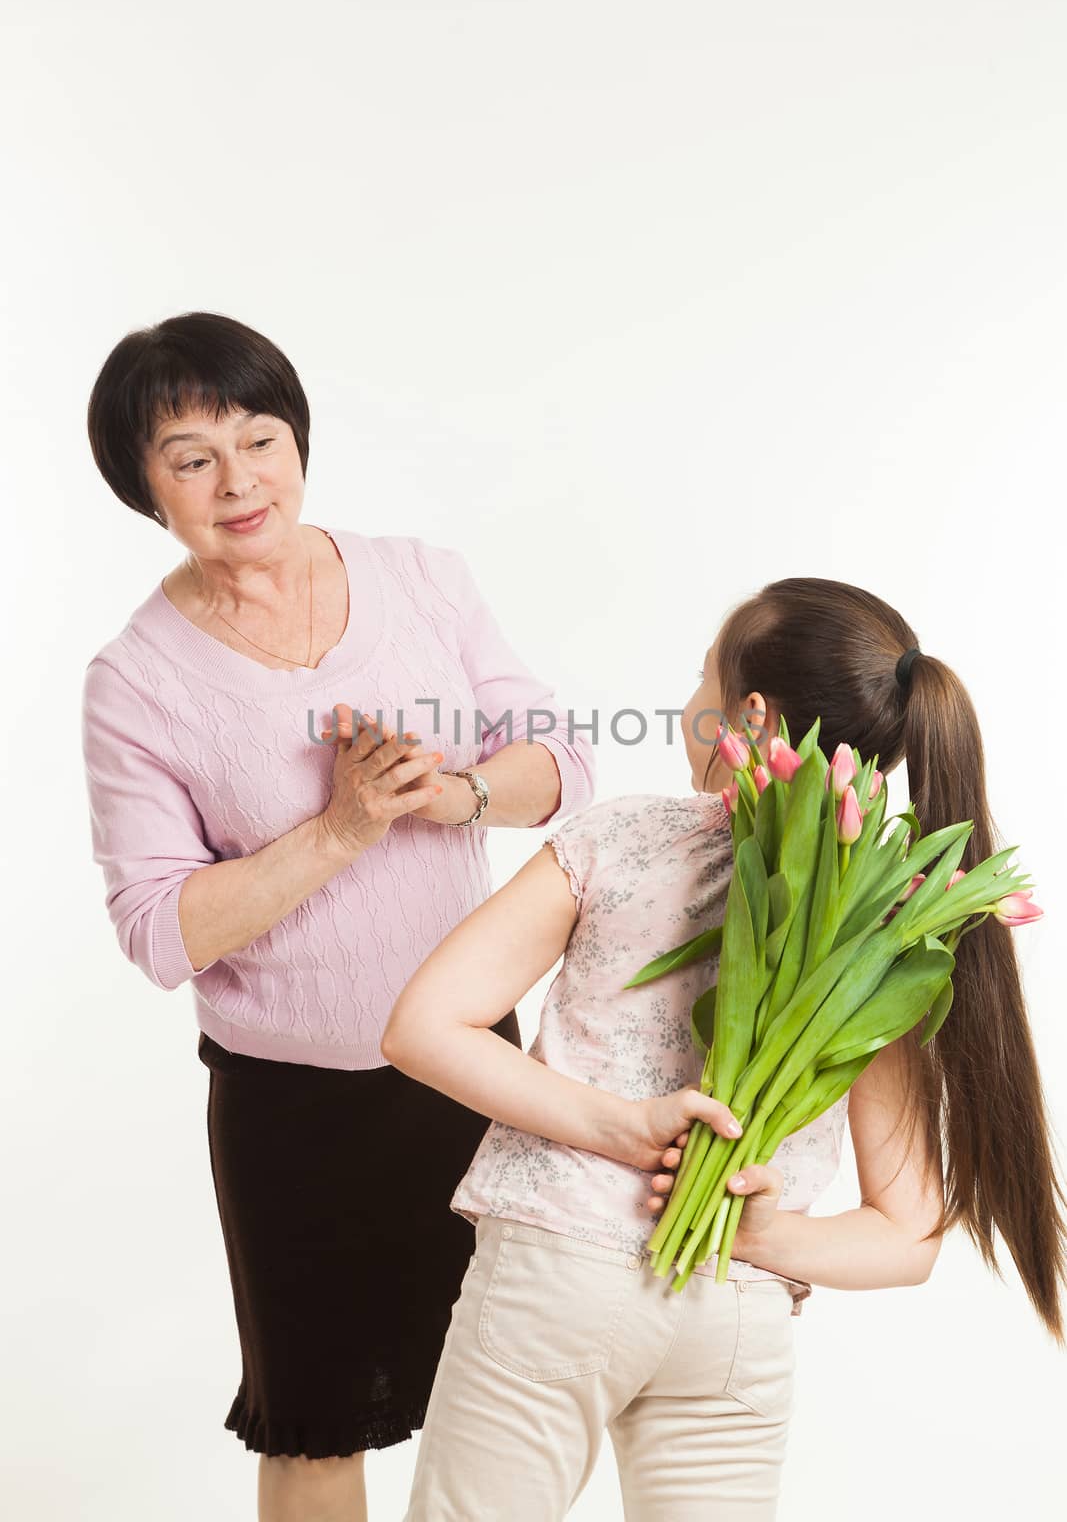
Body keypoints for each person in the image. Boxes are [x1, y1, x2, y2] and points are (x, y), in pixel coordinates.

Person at [383, 579, 1066, 1522]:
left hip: (558, 1276)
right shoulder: (896, 926)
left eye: (701, 677)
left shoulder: (623, 835)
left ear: (748, 713)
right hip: (734, 1308)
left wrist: (625, 1130)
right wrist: (765, 1234)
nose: (689, 700)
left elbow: (420, 1028)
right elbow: (908, 1238)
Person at [79, 311, 596, 1522]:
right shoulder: (134, 681)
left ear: (297, 439)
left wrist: (458, 789)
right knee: (316, 1420)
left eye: (259, 437)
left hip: (474, 1068)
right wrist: (341, 828)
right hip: (293, 1108)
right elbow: (158, 929)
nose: (238, 478)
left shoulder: (420, 577)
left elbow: (560, 760)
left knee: (511, 1391)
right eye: (190, 456)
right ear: (141, 486)